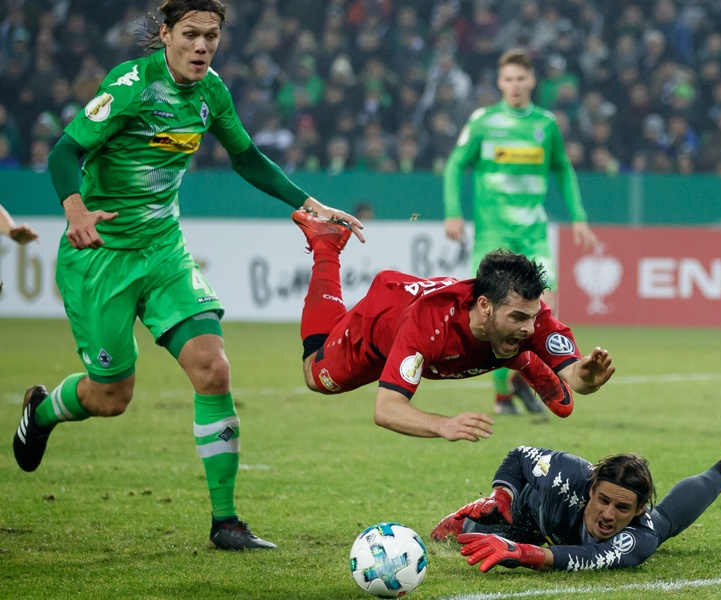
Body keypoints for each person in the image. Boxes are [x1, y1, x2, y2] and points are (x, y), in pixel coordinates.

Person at [12, 0, 364, 551]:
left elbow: (246, 158)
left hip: (164, 251)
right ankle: (44, 407)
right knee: (112, 397)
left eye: (212, 36)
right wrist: (75, 211)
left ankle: (225, 522)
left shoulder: (212, 93)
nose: (202, 47)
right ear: (165, 34)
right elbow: (65, 151)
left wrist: (309, 203)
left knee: (213, 368)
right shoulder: (130, 84)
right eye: (191, 35)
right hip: (101, 255)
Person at [291, 209, 616, 442]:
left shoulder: (532, 313)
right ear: (485, 306)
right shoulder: (429, 324)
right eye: (518, 318)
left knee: (517, 340)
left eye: (532, 317)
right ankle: (326, 246)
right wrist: (442, 425)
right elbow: (387, 409)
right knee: (315, 375)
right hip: (379, 328)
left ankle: (520, 357)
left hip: (468, 336)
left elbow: (577, 378)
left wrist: (586, 378)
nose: (530, 328)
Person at [443, 48, 598, 417]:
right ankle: (504, 392)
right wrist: (453, 212)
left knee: (543, 307)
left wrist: (578, 215)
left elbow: (562, 168)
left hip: (533, 235)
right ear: (500, 82)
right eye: (508, 79)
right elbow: (454, 165)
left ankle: (526, 380)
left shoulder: (545, 125)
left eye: (521, 79)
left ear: (532, 81)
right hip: (492, 236)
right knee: (493, 316)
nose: (514, 85)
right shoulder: (483, 121)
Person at [429, 437, 721, 572]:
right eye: (603, 500)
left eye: (621, 508)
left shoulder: (637, 537)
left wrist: (523, 554)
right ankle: (479, 511)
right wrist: (499, 498)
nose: (607, 515)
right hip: (528, 514)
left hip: (545, 540)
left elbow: (586, 557)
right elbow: (519, 457)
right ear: (591, 489)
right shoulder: (567, 474)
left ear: (637, 511)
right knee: (481, 529)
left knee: (662, 524)